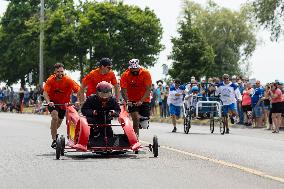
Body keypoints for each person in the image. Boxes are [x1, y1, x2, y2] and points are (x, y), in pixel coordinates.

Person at [43, 63, 80, 148]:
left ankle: (53, 130)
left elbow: (79, 90)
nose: (60, 73)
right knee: (55, 116)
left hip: (63, 104)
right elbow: (45, 93)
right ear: (55, 72)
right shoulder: (50, 80)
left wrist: (78, 101)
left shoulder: (68, 80)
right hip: (53, 102)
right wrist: (49, 102)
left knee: (58, 122)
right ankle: (54, 140)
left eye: (62, 71)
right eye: (58, 72)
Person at [120, 59, 152, 137]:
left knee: (144, 125)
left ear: (139, 68)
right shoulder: (125, 75)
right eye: (132, 69)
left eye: (136, 69)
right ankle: (135, 139)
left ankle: (142, 121)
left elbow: (148, 89)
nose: (134, 71)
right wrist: (127, 100)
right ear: (130, 68)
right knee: (136, 119)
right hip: (132, 101)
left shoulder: (145, 73)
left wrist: (141, 101)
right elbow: (123, 90)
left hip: (144, 100)